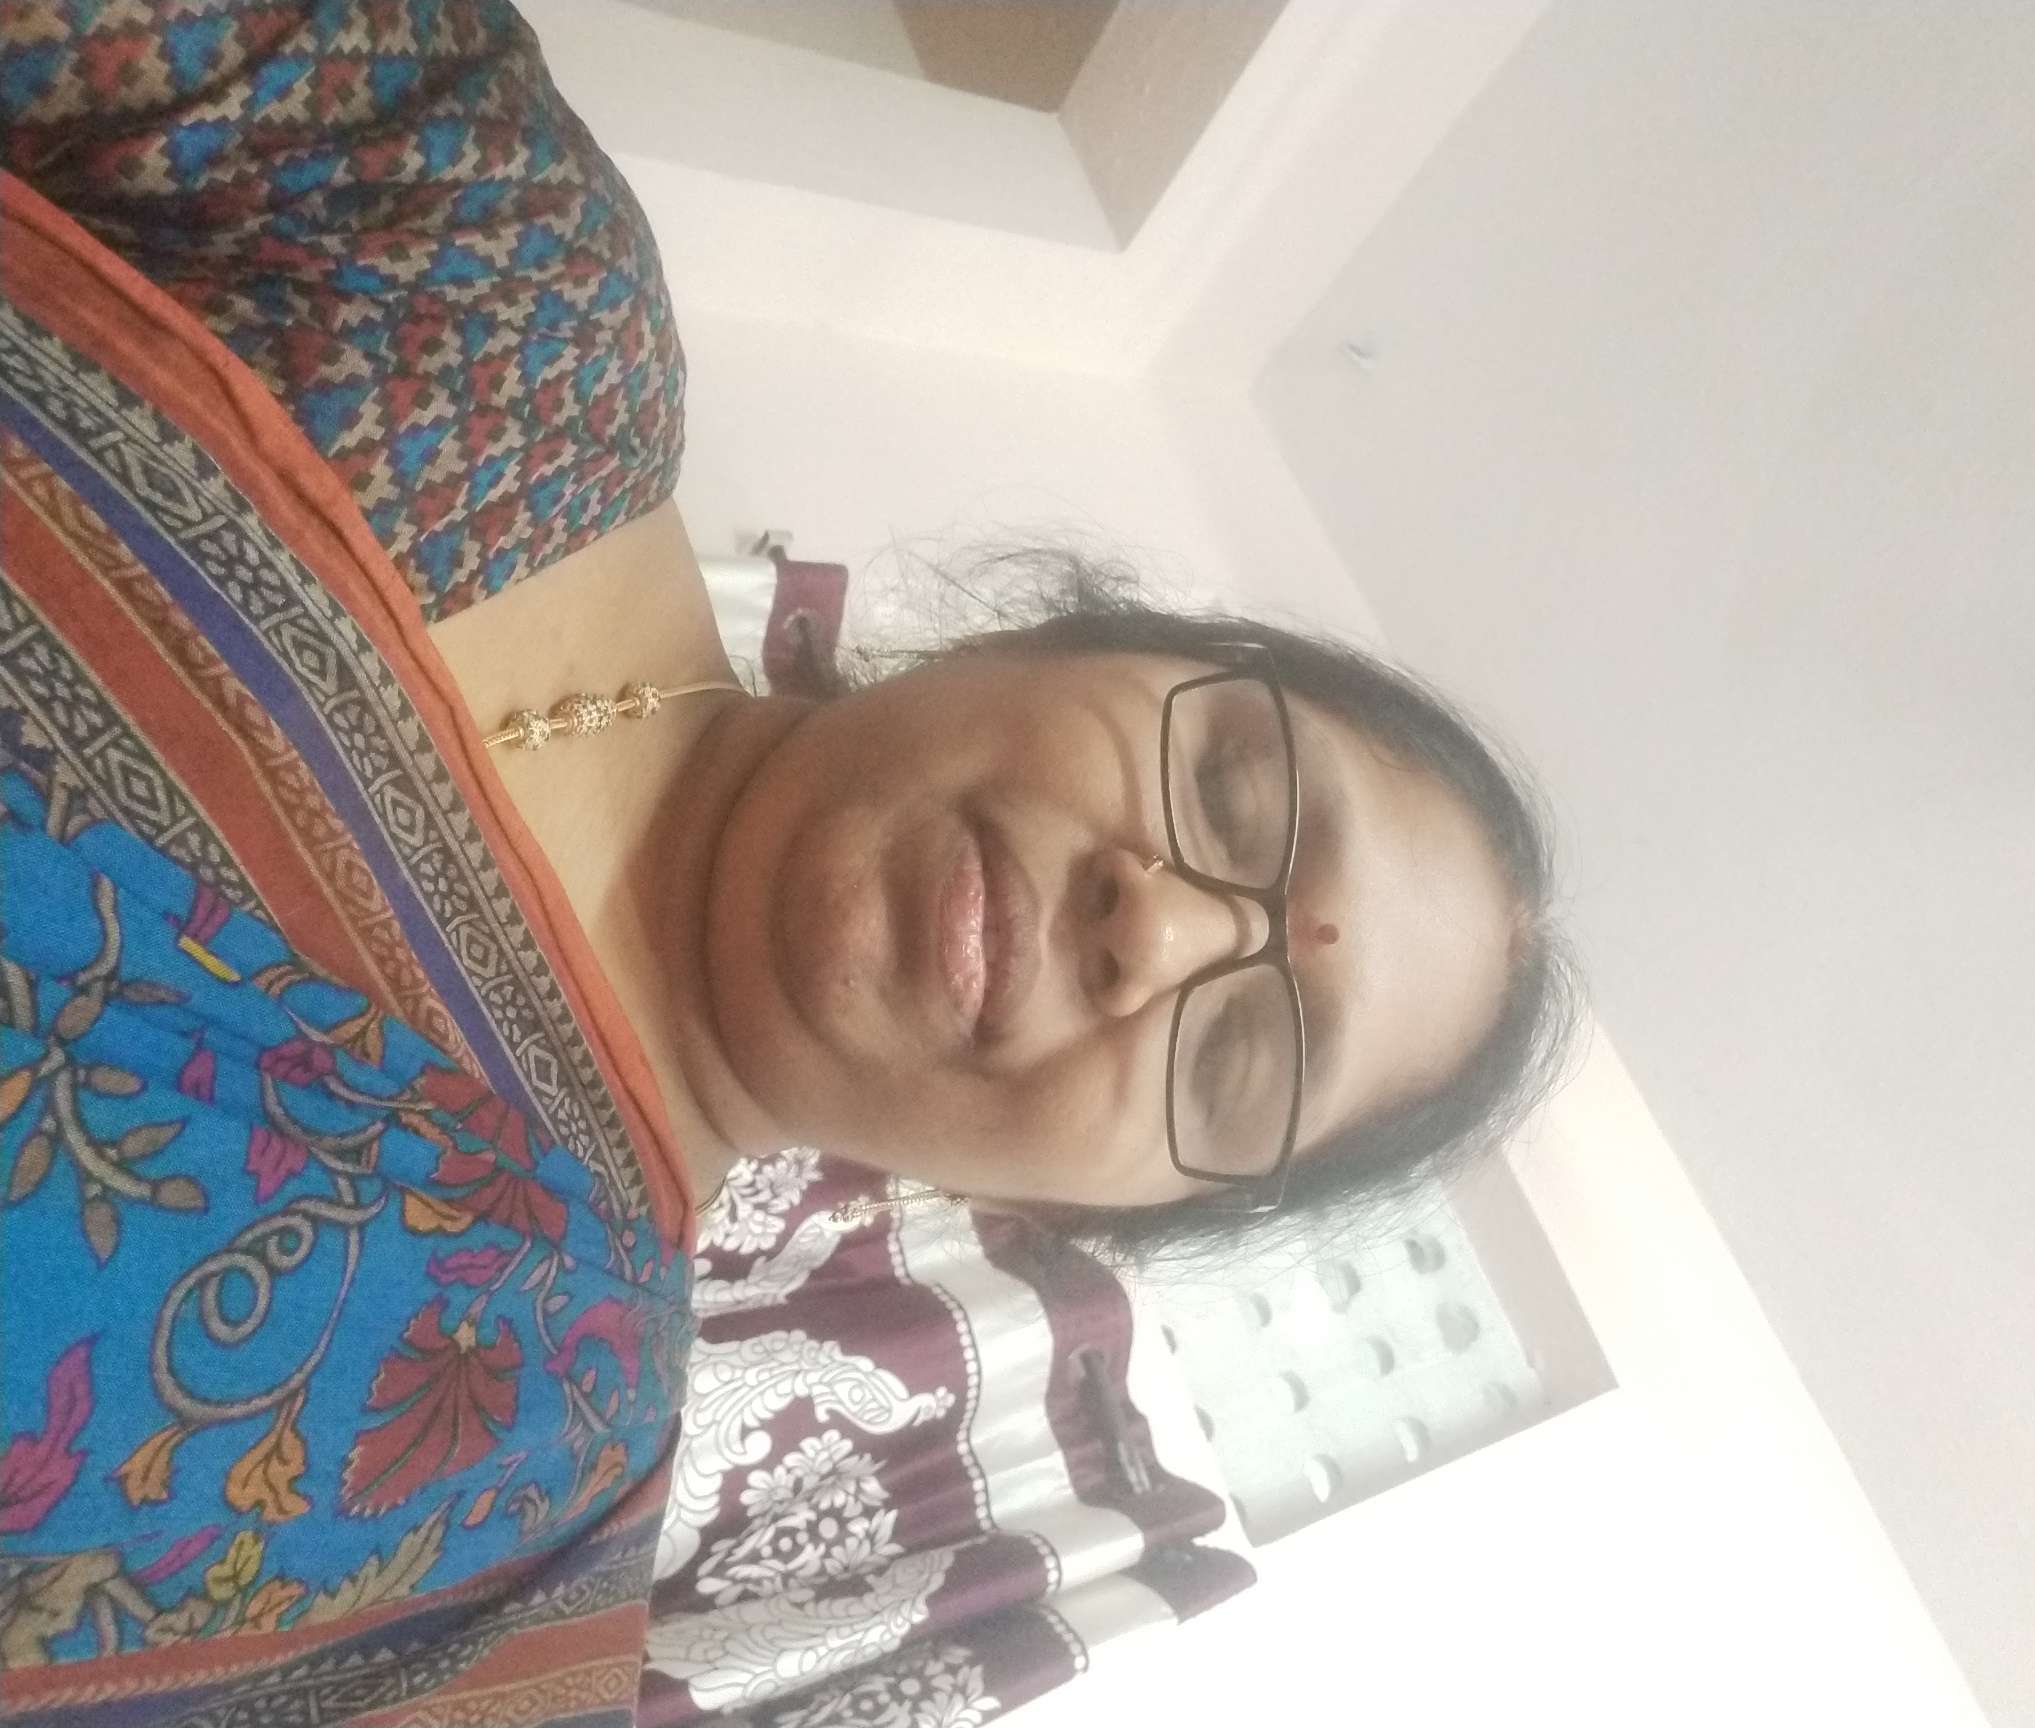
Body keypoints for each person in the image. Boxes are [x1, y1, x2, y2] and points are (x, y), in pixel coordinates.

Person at [0, 2, 1577, 1723]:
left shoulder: (512, 1485)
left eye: (1240, 1059)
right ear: (1061, 635)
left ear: (1069, 1212)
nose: (1161, 930)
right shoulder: (498, 303)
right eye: (1235, 787)